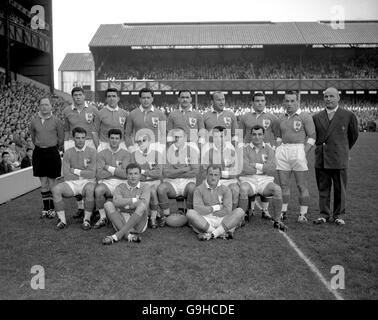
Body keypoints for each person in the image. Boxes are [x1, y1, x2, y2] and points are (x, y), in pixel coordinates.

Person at [312, 87, 359, 226]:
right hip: (322, 158)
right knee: (323, 188)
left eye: (332, 96)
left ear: (338, 98)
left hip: (339, 158)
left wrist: (343, 149)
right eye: (326, 97)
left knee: (340, 189)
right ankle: (324, 214)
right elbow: (314, 137)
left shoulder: (348, 115)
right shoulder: (316, 117)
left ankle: (339, 215)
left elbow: (353, 135)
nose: (328, 99)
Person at [275, 91, 316, 223]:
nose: (289, 103)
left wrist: (304, 151)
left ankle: (302, 214)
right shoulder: (280, 118)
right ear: (283, 102)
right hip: (283, 150)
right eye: (287, 101)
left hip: (298, 149)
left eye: (292, 101)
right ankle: (283, 212)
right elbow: (278, 136)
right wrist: (278, 149)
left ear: (298, 102)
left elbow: (312, 136)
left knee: (301, 185)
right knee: (283, 185)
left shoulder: (305, 117)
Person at [238, 125, 288, 231]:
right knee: (243, 189)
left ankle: (278, 221)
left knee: (277, 190)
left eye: (259, 134)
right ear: (250, 136)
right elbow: (245, 168)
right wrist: (263, 167)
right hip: (249, 179)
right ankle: (240, 219)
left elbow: (272, 168)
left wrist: (255, 165)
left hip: (265, 180)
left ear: (263, 136)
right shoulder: (244, 149)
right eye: (254, 134)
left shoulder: (269, 149)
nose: (257, 137)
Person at [238, 92, 279, 214]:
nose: (260, 103)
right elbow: (239, 135)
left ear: (265, 102)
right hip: (249, 150)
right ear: (252, 102)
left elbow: (277, 136)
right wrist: (240, 149)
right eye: (257, 100)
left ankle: (265, 210)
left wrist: (274, 148)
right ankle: (250, 209)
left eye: (262, 100)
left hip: (266, 152)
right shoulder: (245, 117)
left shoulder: (273, 118)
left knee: (265, 178)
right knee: (249, 178)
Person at [62, 87, 99, 217]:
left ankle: (93, 207)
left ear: (84, 96)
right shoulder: (67, 111)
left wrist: (97, 146)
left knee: (91, 175)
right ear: (72, 97)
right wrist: (66, 145)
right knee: (74, 176)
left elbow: (96, 130)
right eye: (75, 95)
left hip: (89, 142)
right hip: (73, 143)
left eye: (80, 95)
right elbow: (66, 130)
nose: (78, 97)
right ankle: (80, 207)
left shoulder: (93, 109)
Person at [52, 127, 97, 230]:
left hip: (87, 182)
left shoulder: (92, 151)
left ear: (86, 138)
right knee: (56, 189)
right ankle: (62, 221)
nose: (80, 140)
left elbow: (92, 174)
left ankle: (87, 220)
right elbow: (66, 175)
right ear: (73, 138)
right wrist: (84, 173)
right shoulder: (68, 152)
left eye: (83, 138)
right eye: (78, 138)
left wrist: (75, 171)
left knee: (90, 189)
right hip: (72, 183)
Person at [186, 165, 245, 241]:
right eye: (211, 174)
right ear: (206, 175)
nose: (213, 177)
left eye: (216, 175)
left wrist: (208, 210)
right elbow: (198, 209)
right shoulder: (199, 189)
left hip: (222, 219)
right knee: (190, 213)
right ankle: (221, 233)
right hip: (205, 220)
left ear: (219, 176)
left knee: (240, 211)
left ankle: (212, 234)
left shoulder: (226, 189)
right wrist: (217, 207)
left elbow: (227, 210)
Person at [29, 96, 64, 219]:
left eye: (46, 104)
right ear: (39, 106)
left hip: (52, 152)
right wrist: (40, 145)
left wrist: (52, 146)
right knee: (43, 183)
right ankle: (46, 208)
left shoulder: (57, 121)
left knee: (52, 183)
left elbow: (61, 138)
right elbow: (33, 137)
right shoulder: (34, 120)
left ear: (51, 106)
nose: (44, 107)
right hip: (39, 153)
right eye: (42, 105)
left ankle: (53, 209)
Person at [157, 127, 199, 226]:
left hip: (187, 182)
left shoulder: (192, 151)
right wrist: (184, 169)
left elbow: (195, 171)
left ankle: (189, 215)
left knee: (193, 188)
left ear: (185, 138)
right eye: (175, 137)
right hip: (172, 183)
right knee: (161, 188)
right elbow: (166, 173)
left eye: (180, 137)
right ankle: (165, 216)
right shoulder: (167, 151)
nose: (177, 139)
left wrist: (175, 172)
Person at [102, 163, 151, 245]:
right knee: (108, 204)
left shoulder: (145, 186)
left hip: (138, 224)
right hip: (122, 220)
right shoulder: (120, 187)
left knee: (142, 206)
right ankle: (128, 236)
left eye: (136, 174)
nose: (133, 176)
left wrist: (124, 205)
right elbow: (116, 202)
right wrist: (133, 200)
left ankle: (117, 236)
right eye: (130, 174)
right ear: (126, 175)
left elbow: (144, 203)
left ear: (140, 175)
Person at [94, 129, 131, 229]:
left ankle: (122, 215)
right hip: (107, 182)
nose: (114, 140)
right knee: (98, 190)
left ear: (120, 140)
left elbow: (125, 174)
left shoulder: (126, 154)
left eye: (117, 138)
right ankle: (102, 217)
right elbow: (99, 174)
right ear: (108, 139)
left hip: (122, 182)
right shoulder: (101, 154)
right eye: (112, 138)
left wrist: (108, 168)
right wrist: (117, 171)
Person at [201, 126, 241, 210]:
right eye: (216, 137)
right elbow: (204, 172)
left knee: (235, 189)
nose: (219, 139)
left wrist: (219, 173)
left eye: (221, 136)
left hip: (229, 181)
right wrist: (224, 173)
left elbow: (235, 172)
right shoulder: (207, 149)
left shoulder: (231, 149)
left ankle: (232, 214)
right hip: (212, 181)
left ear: (226, 137)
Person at [130, 131, 164, 228]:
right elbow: (133, 174)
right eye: (139, 141)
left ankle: (152, 217)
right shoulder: (133, 155)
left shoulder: (157, 154)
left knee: (152, 190)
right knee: (150, 190)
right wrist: (149, 174)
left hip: (155, 182)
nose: (141, 143)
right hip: (140, 183)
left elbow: (158, 173)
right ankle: (151, 216)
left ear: (149, 142)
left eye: (144, 140)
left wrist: (144, 172)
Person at [125, 88, 166, 152]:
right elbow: (127, 134)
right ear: (140, 99)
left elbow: (164, 133)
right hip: (138, 146)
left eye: (148, 98)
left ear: (152, 99)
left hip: (155, 147)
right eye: (143, 98)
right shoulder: (132, 114)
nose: (146, 100)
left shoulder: (160, 114)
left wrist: (162, 147)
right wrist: (130, 147)